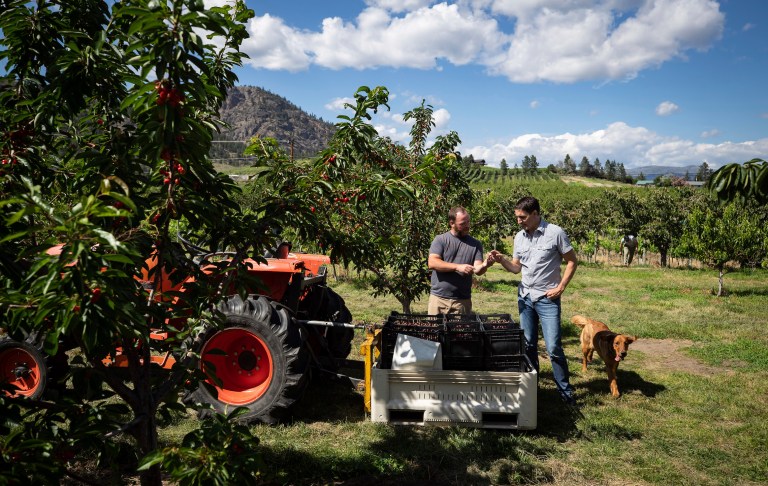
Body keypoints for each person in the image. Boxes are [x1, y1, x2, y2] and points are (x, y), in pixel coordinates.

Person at [489, 196, 578, 405]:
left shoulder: (555, 233)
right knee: (528, 344)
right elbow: (516, 268)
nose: (519, 221)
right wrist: (501, 260)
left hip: (547, 298)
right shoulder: (519, 237)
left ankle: (565, 391)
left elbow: (572, 261)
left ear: (536, 214)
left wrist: (561, 287)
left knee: (553, 347)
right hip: (526, 297)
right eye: (517, 217)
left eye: (523, 217)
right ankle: (532, 389)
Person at [427, 206, 494, 315]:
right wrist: (458, 267)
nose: (467, 226)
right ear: (452, 223)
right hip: (438, 299)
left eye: (468, 222)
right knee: (435, 326)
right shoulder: (440, 240)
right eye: (462, 223)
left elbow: (477, 270)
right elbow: (432, 263)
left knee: (461, 327)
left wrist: (485, 265)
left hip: (462, 301)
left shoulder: (475, 244)